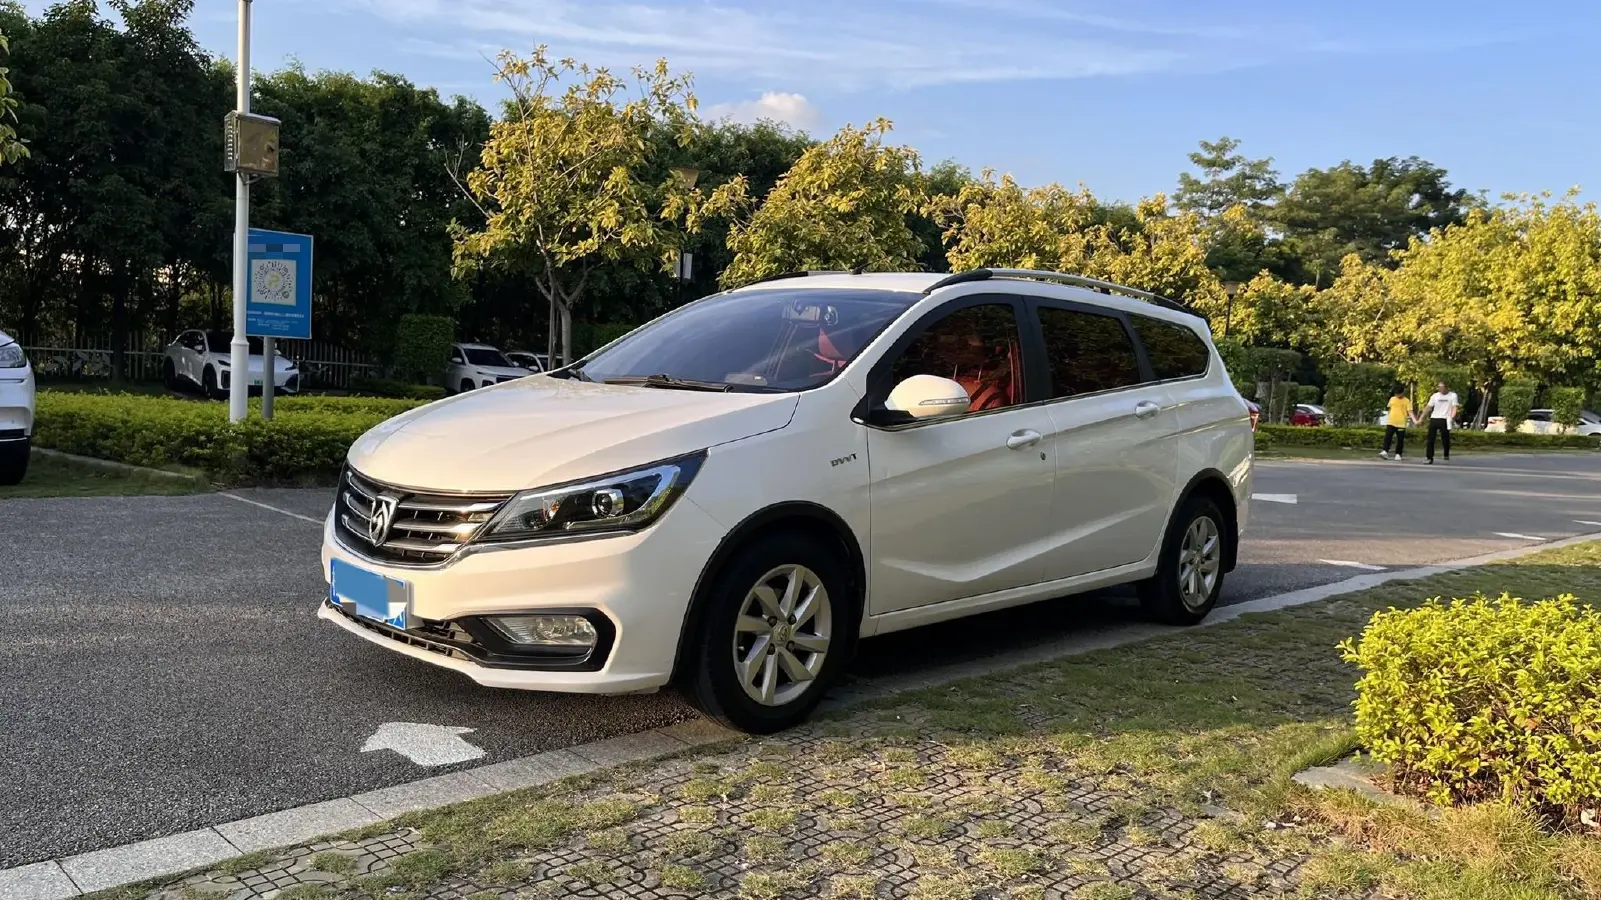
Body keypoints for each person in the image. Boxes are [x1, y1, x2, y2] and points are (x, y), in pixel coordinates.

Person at [1421, 380, 1459, 464]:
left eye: (1441, 387)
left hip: (1445, 419)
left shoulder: (1452, 395)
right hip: (1434, 418)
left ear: (1446, 387)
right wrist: (1421, 418)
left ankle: (1446, 452)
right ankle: (1429, 457)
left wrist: (1452, 417)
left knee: (1445, 438)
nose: (1440, 389)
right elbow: (1428, 407)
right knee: (1430, 439)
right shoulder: (1435, 396)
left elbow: (1454, 407)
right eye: (1439, 387)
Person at [1379, 385, 1415, 460]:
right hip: (1391, 422)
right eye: (1396, 394)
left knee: (1400, 439)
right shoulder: (1392, 399)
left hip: (1401, 423)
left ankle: (1398, 454)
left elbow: (1410, 412)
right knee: (1388, 437)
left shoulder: (1407, 401)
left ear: (1402, 393)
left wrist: (1415, 420)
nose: (1397, 395)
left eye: (1398, 394)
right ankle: (1385, 451)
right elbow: (1389, 408)